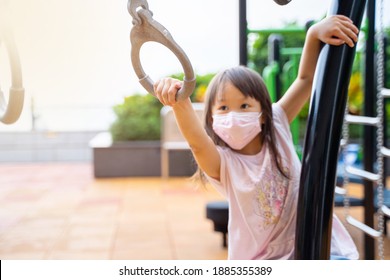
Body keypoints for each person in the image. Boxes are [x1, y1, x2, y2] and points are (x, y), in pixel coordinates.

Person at [153, 15, 360, 260]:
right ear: (211, 120)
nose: (233, 116)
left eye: (244, 106)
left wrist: (313, 35)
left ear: (263, 112)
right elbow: (198, 144)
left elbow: (305, 80)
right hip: (263, 260)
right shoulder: (224, 164)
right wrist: (179, 103)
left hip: (313, 242)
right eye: (223, 108)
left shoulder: (279, 123)